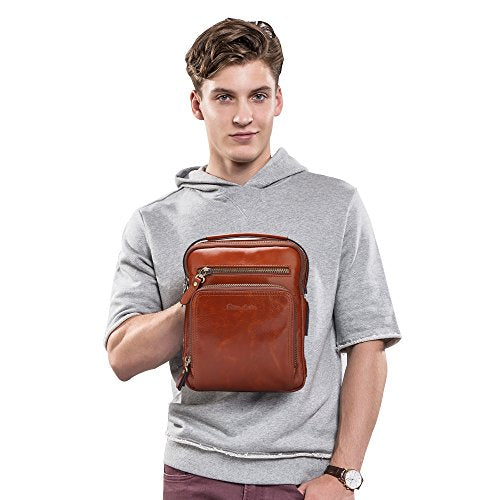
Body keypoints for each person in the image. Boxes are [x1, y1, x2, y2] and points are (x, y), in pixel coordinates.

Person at [103, 17, 402, 499]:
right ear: (197, 104)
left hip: (304, 477)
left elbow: (368, 342)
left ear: (278, 100)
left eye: (258, 96)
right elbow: (122, 358)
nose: (244, 116)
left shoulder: (335, 204)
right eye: (225, 97)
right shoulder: (154, 222)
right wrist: (206, 301)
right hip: (195, 471)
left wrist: (344, 474)